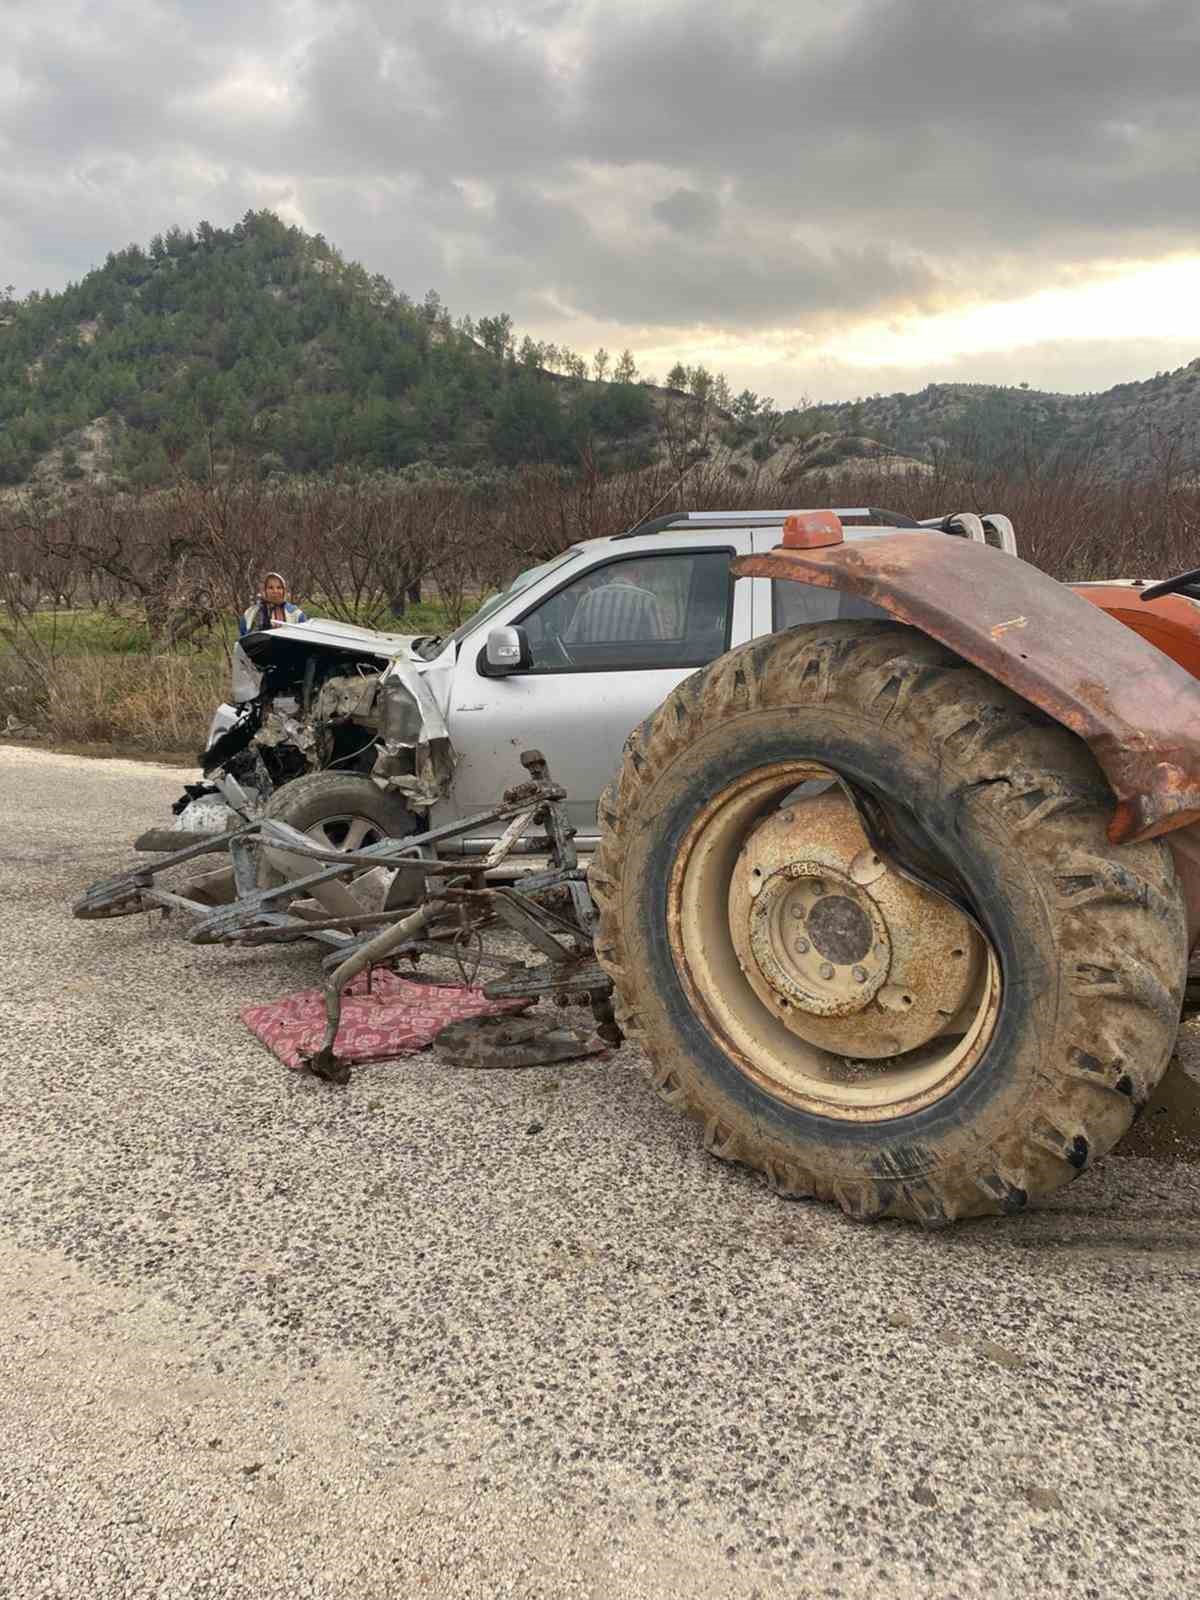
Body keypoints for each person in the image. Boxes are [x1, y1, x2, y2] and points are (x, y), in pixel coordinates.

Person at [562, 561, 666, 645]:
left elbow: (570, 641)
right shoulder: (647, 600)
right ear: (637, 573)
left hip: (593, 668)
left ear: (612, 572)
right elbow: (660, 645)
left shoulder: (587, 599)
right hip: (633, 668)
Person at [239, 572, 307, 636]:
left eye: (279, 588)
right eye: (270, 588)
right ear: (264, 590)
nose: (275, 591)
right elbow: (244, 639)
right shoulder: (250, 613)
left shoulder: (296, 614)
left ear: (284, 590)